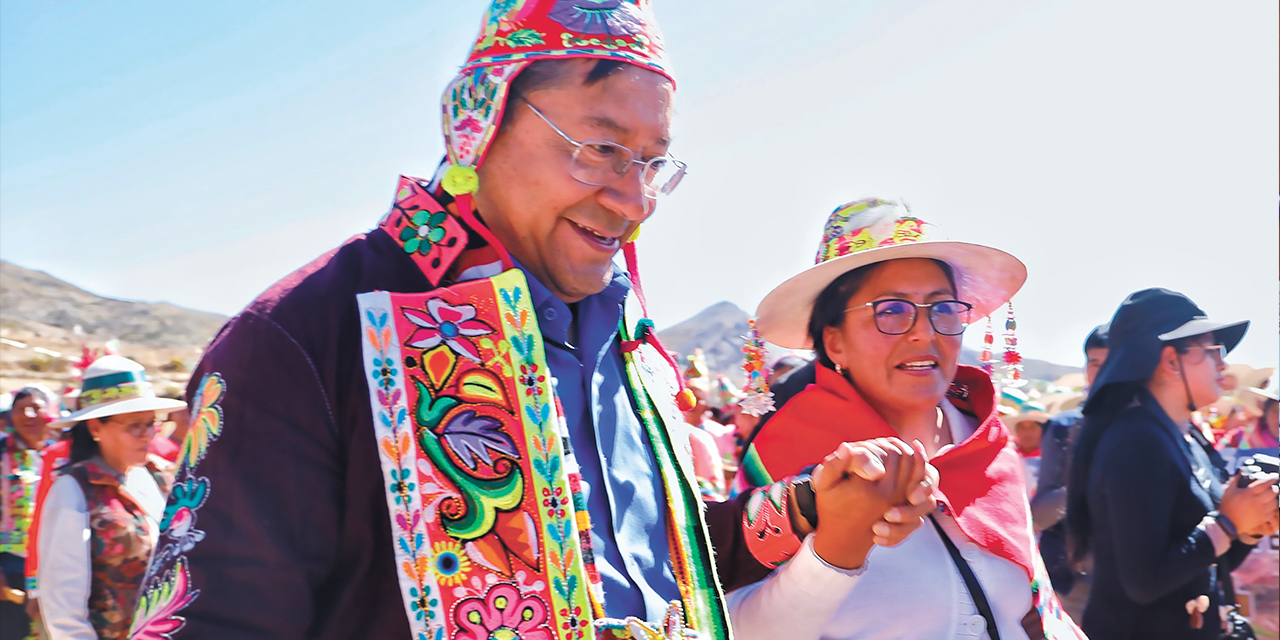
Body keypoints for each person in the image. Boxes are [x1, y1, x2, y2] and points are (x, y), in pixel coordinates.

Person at [127, 4, 928, 639]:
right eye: (601, 148)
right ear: (480, 119)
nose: (635, 198)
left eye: (652, 162)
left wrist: (807, 507)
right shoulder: (310, 335)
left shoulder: (628, 348)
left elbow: (658, 570)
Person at [727, 198, 1082, 639]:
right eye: (891, 310)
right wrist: (836, 549)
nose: (924, 332)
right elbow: (735, 624)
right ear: (834, 342)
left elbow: (1030, 608)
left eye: (944, 309)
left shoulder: (988, 441)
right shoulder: (784, 453)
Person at [1066, 288, 1280, 639]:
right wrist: (1227, 524)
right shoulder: (1136, 441)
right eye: (1213, 351)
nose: (1223, 364)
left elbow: (1206, 563)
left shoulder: (1185, 436)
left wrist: (1249, 527)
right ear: (1170, 361)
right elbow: (1144, 582)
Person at [37, 356, 184, 640]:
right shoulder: (74, 488)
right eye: (134, 426)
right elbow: (63, 604)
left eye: (151, 423)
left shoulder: (159, 475)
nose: (148, 435)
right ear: (95, 428)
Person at [1031, 324, 1108, 613]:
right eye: (1094, 362)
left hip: (1136, 582)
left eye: (1111, 362)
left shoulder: (1146, 426)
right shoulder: (1064, 427)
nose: (1102, 371)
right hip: (1074, 584)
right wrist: (1083, 479)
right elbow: (1040, 514)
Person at [1, 385, 59, 640]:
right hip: (11, 564)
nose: (28, 415)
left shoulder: (65, 453)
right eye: (20, 409)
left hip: (56, 565)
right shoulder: (2, 453)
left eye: (35, 407)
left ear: (50, 411)